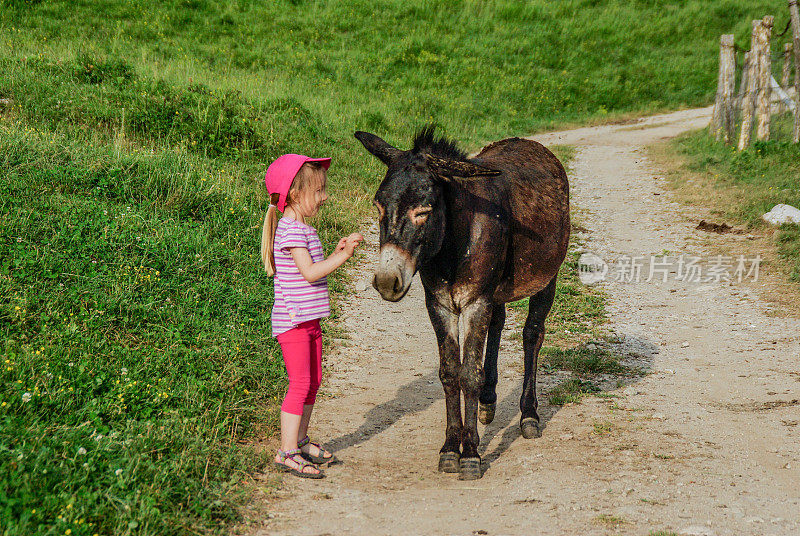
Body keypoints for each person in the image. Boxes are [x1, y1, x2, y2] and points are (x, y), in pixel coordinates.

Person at [261, 153, 363, 478]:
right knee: (300, 383)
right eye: (318, 191)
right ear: (294, 194)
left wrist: (334, 252)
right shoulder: (291, 231)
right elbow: (309, 273)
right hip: (293, 322)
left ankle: (301, 441)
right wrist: (344, 256)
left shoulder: (302, 229)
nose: (324, 197)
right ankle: (287, 451)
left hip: (310, 320)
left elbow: (313, 269)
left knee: (313, 382)